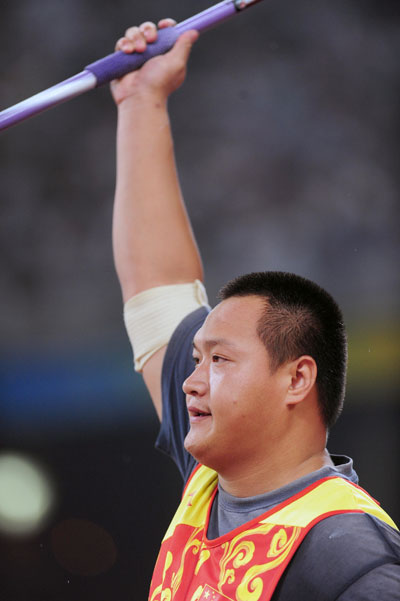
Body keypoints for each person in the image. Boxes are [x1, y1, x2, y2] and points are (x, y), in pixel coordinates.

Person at [110, 20, 400, 601]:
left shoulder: (354, 559)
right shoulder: (210, 482)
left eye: (219, 359)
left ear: (297, 378)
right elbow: (157, 294)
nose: (190, 381)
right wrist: (142, 101)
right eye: (195, 357)